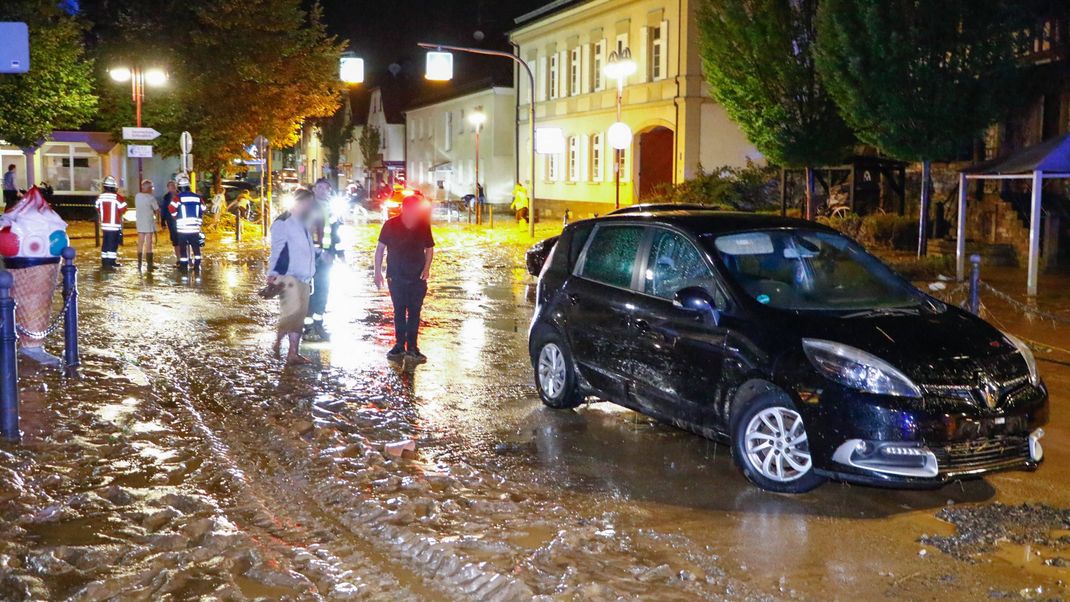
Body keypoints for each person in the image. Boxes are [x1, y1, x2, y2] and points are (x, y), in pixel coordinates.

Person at [374, 195, 434, 364]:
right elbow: (379, 250)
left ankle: (413, 348)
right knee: (399, 310)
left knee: (415, 311)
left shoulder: (423, 225)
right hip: (396, 275)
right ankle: (399, 345)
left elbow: (429, 249)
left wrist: (427, 268)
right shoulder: (390, 225)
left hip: (417, 276)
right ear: (403, 208)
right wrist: (377, 272)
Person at [267, 188, 316, 364]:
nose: (310, 206)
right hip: (289, 276)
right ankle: (292, 353)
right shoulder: (283, 222)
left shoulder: (301, 222)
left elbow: (305, 248)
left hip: (303, 276)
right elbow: (277, 249)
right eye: (308, 203)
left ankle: (279, 343)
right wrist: (272, 273)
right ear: (300, 202)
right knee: (295, 314)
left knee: (292, 314)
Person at [304, 178, 338, 341]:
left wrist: (339, 254)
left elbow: (335, 234)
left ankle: (318, 323)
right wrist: (319, 252)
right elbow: (306, 234)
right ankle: (308, 326)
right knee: (308, 291)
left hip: (326, 257)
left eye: (326, 188)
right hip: (311, 256)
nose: (323, 190)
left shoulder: (331, 209)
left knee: (322, 291)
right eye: (320, 187)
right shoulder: (310, 207)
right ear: (314, 190)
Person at [169, 173, 205, 271]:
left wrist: (176, 218)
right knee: (196, 248)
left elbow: (171, 208)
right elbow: (203, 208)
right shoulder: (198, 197)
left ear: (179, 187)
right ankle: (197, 266)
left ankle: (184, 267)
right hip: (195, 228)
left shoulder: (178, 198)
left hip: (182, 229)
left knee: (183, 249)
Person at [95, 176, 126, 268]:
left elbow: (97, 208)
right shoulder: (117, 197)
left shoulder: (100, 197)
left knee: (105, 243)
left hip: (104, 225)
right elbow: (123, 208)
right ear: (114, 187)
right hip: (115, 225)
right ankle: (111, 262)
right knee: (113, 244)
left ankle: (104, 262)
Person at [133, 179, 159, 271]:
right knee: (149, 243)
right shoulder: (151, 198)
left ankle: (139, 263)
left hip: (140, 222)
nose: (152, 189)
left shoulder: (137, 196)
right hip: (148, 222)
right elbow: (157, 210)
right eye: (151, 187)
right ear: (148, 188)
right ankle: (149, 264)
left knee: (140, 243)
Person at [160, 180, 181, 261]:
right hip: (171, 221)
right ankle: (179, 259)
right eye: (170, 186)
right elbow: (164, 209)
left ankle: (186, 258)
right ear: (168, 188)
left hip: (181, 220)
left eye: (173, 185)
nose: (172, 187)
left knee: (184, 239)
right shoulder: (166, 197)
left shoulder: (180, 195)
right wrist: (163, 221)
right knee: (175, 240)